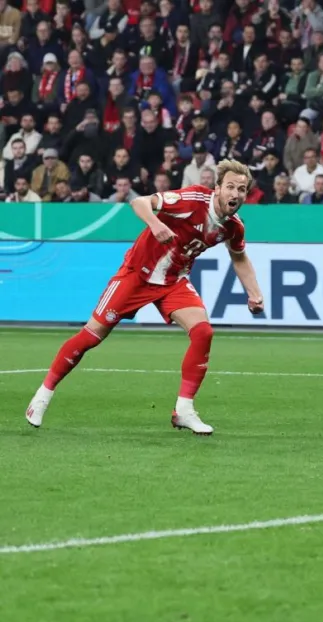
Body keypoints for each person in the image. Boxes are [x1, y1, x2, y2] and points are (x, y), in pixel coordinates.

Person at [25, 160, 265, 436]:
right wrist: (155, 223)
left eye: (242, 189)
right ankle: (42, 396)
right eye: (230, 187)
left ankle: (184, 410)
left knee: (203, 332)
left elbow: (239, 257)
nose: (235, 194)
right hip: (136, 276)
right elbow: (139, 202)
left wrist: (254, 293)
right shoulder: (193, 199)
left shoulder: (233, 227)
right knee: (91, 336)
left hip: (173, 282)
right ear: (218, 188)